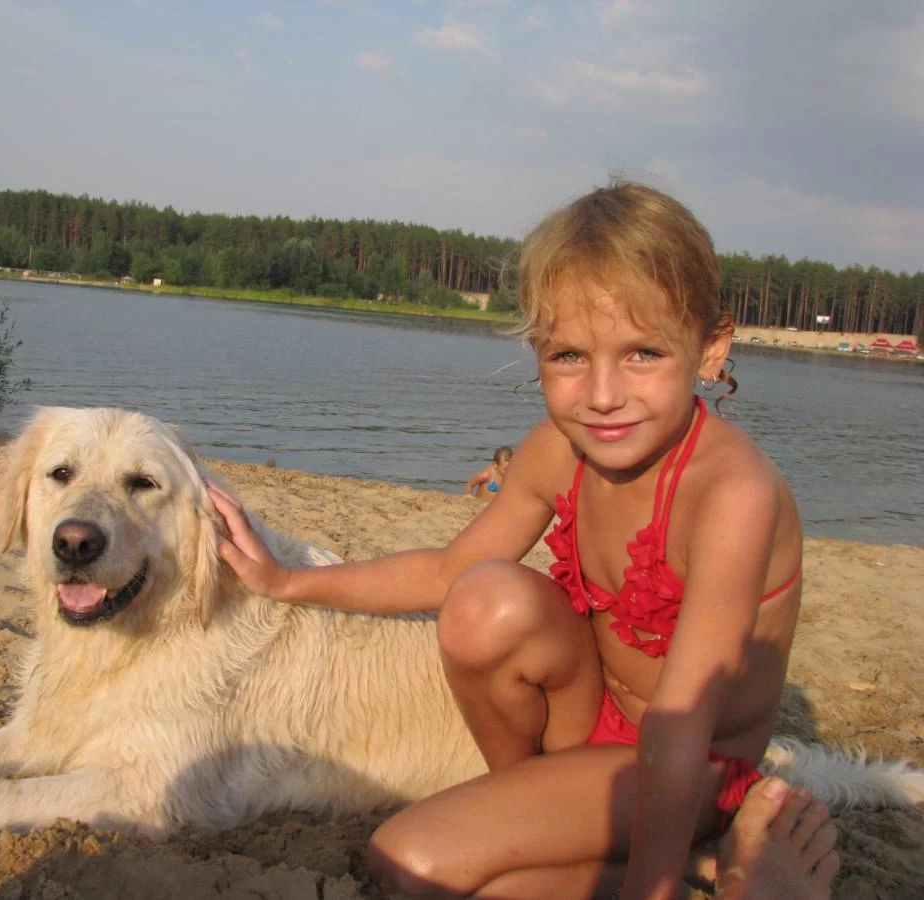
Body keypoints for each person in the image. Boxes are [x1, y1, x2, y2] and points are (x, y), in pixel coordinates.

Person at [209, 180, 838, 899]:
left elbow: (680, 720)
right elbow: (446, 572)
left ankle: (726, 870)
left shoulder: (732, 495)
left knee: (411, 862)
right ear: (537, 350)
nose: (603, 395)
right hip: (590, 723)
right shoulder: (556, 451)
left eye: (643, 353)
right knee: (484, 598)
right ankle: (600, 830)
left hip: (694, 766)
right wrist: (287, 581)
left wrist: (650, 889)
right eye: (569, 356)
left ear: (710, 348)